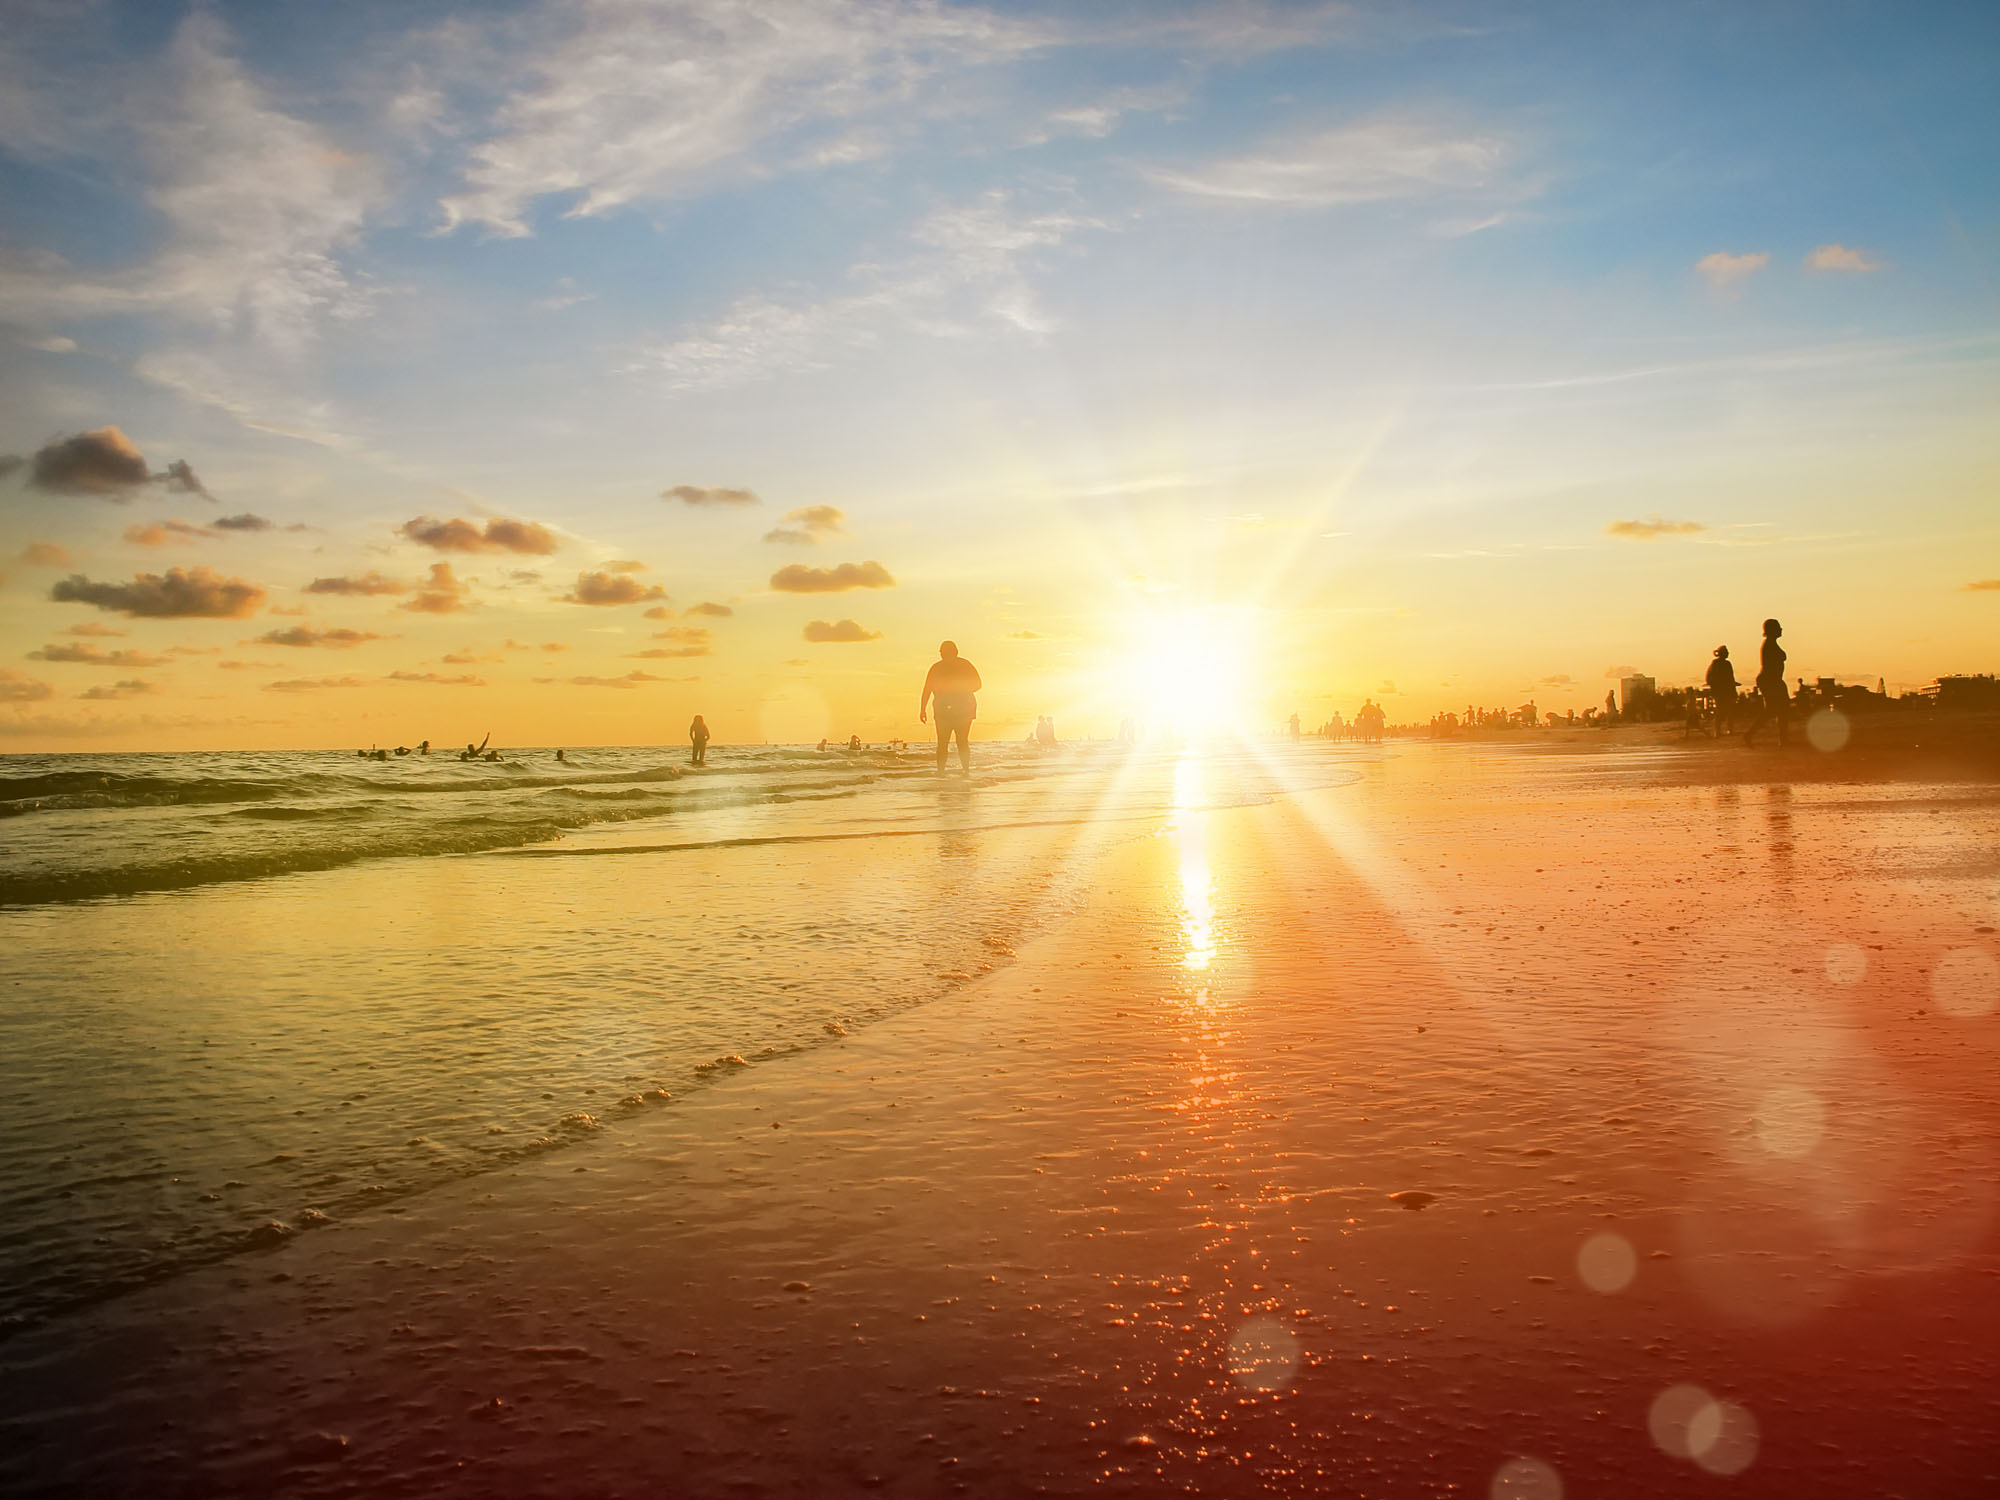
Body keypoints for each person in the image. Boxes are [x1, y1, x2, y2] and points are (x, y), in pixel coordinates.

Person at [919, 639, 982, 776]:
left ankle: (964, 770)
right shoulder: (936, 668)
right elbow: (927, 688)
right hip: (943, 710)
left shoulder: (965, 665)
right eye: (942, 653)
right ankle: (942, 771)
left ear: (955, 652)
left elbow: (977, 684)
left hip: (963, 709)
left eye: (947, 652)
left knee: (961, 741)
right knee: (944, 742)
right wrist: (922, 709)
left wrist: (960, 689)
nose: (944, 655)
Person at [1743, 618, 1789, 747]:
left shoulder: (1771, 643)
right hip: (1770, 680)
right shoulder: (1769, 644)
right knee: (1775, 709)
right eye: (1778, 627)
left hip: (1773, 680)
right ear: (1772, 630)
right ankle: (1751, 734)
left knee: (1779, 710)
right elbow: (1773, 663)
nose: (1781, 629)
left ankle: (1782, 738)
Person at [1704, 646, 1737, 737]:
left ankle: (1729, 729)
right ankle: (1717, 731)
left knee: (1729, 711)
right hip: (1719, 691)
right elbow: (1710, 678)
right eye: (1726, 652)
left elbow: (1731, 678)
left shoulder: (1727, 664)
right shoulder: (1716, 663)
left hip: (1726, 691)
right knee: (1720, 711)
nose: (1727, 653)